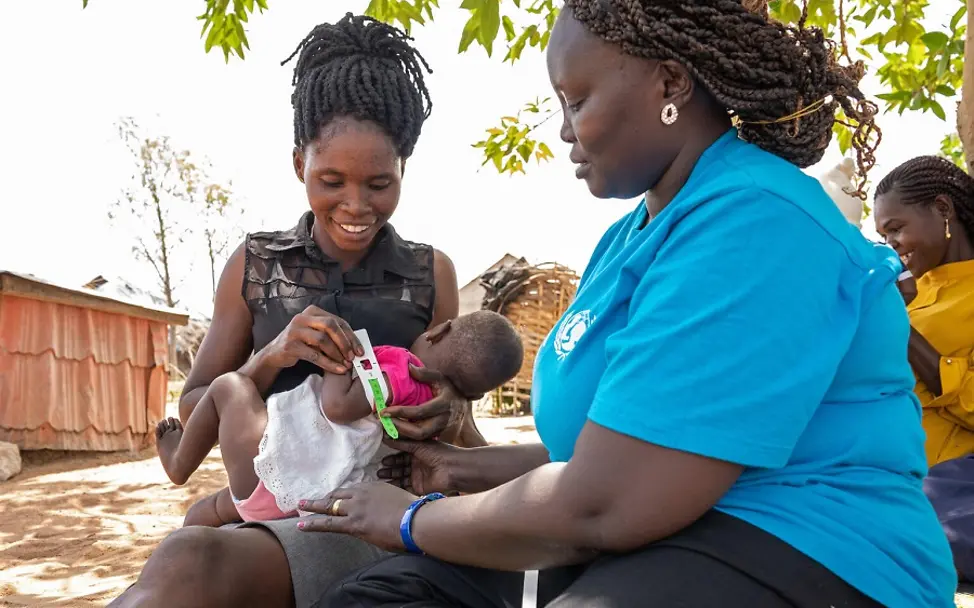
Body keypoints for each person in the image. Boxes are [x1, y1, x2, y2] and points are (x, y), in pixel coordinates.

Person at [298, 2, 956, 607]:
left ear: (670, 85)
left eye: (576, 99)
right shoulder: (627, 241)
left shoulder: (758, 217)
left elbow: (607, 502)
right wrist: (460, 468)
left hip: (814, 553)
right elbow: (624, 447)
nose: (562, 131)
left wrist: (407, 519)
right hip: (664, 540)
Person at [110, 14, 485, 608]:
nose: (356, 205)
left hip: (372, 518)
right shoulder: (255, 264)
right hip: (270, 500)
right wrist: (274, 353)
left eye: (380, 184)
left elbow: (455, 415)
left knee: (190, 556)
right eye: (331, 179)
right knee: (186, 551)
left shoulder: (428, 271)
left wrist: (449, 414)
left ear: (403, 172)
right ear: (298, 165)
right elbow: (196, 403)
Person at [154, 311, 523, 526]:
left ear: (439, 330)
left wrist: (342, 361)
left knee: (230, 386)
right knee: (211, 511)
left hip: (277, 465)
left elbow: (336, 407)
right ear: (473, 395)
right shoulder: (433, 410)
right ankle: (192, 532)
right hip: (306, 497)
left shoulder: (398, 368)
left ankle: (178, 462)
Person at [872, 156, 974, 582]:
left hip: (938, 490)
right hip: (866, 478)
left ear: (943, 209)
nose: (891, 242)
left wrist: (900, 327)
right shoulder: (906, 292)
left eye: (896, 227)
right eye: (882, 234)